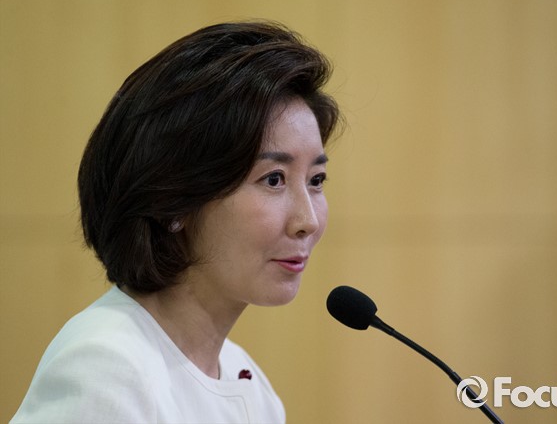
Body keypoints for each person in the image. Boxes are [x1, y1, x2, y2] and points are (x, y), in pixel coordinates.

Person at [12, 21, 341, 423]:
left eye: (316, 180)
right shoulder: (106, 367)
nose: (308, 221)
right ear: (174, 202)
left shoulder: (247, 380)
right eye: (273, 179)